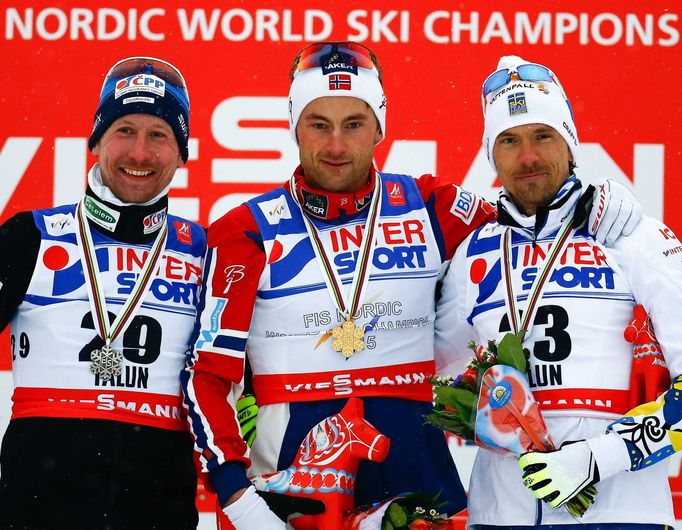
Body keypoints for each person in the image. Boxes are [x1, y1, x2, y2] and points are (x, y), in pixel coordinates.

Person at [181, 43, 641, 529]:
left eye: (354, 124)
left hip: (418, 481)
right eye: (319, 124)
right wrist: (237, 497)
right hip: (290, 484)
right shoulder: (244, 230)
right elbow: (207, 376)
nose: (336, 145)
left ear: (379, 125)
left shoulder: (431, 206)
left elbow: (533, 222)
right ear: (295, 126)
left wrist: (600, 199)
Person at [435, 55, 680, 529]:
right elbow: (427, 373)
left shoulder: (634, 237)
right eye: (509, 140)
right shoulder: (472, 255)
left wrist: (598, 458)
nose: (528, 157)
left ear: (570, 143)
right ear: (492, 154)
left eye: (543, 136)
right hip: (499, 515)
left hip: (622, 514)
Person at [0, 57, 204, 529]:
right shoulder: (30, 236)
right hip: (38, 510)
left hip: (157, 510)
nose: (140, 152)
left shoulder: (205, 253)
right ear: (95, 141)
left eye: (159, 135)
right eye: (124, 131)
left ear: (181, 153)